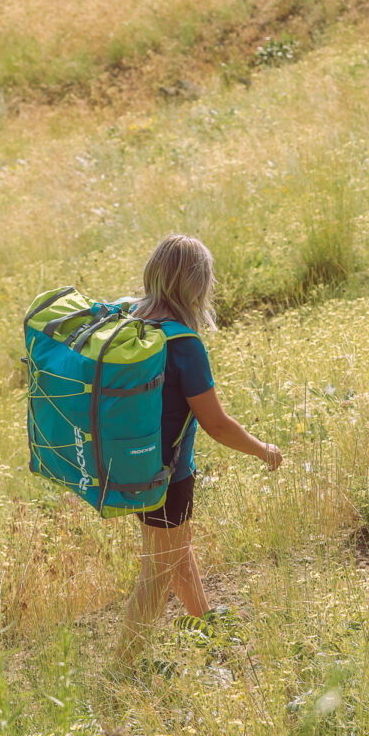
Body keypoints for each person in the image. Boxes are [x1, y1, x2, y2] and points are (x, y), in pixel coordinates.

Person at [116, 233, 281, 659]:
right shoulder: (184, 344)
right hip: (169, 476)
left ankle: (210, 635)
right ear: (195, 284)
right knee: (158, 573)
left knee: (176, 554)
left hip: (135, 467)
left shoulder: (133, 324)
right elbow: (217, 425)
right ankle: (121, 668)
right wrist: (262, 449)